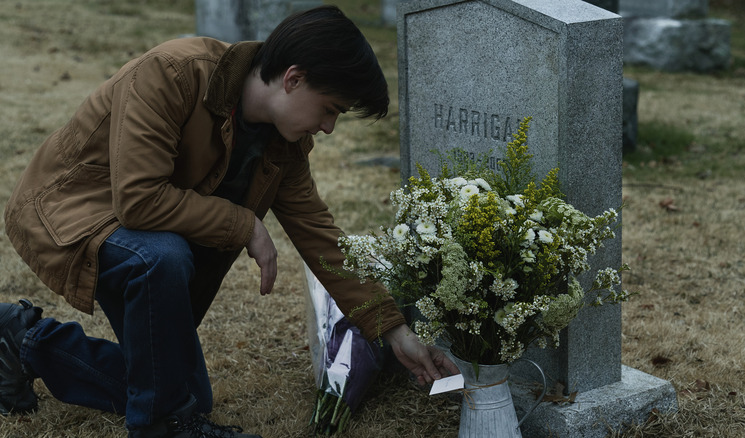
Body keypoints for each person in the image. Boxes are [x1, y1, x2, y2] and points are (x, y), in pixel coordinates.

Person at [0, 6, 457, 437]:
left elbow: (322, 239)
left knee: (187, 396)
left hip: (144, 240)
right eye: (331, 108)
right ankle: (163, 428)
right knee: (162, 259)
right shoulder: (174, 72)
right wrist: (245, 225)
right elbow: (139, 199)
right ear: (293, 79)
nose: (328, 127)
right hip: (69, 211)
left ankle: (25, 340)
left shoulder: (285, 146)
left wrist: (395, 331)